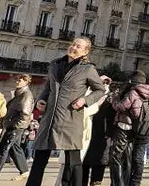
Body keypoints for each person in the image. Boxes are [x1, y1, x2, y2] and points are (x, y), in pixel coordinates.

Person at [25, 37, 108, 186]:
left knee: (73, 162)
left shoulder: (88, 69)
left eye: (78, 46)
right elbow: (47, 87)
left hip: (70, 118)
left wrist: (85, 100)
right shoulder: (55, 65)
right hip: (50, 119)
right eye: (73, 44)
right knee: (39, 159)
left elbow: (100, 90)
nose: (73, 47)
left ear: (85, 51)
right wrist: (41, 100)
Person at [110, 71, 149, 186]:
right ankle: (131, 182)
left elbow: (121, 107)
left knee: (116, 156)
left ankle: (119, 183)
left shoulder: (133, 92)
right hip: (138, 128)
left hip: (124, 125)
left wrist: (114, 99)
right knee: (129, 157)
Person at [0, 75, 36, 179]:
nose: (16, 82)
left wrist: (15, 126)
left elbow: (25, 114)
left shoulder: (26, 95)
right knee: (14, 148)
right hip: (12, 125)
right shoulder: (18, 94)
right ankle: (24, 171)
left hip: (16, 126)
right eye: (16, 80)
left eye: (19, 80)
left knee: (3, 148)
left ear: (26, 82)